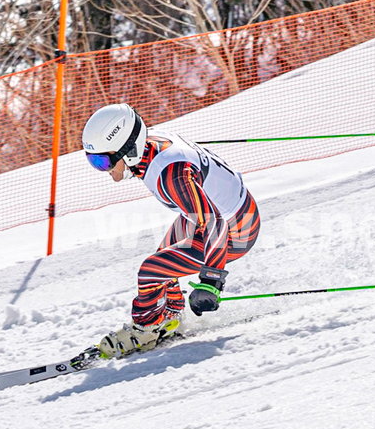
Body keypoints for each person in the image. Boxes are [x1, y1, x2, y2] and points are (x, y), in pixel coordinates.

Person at [81, 103, 260, 358]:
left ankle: (145, 330)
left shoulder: (170, 175)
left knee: (150, 272)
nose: (104, 170)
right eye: (93, 161)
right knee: (163, 260)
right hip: (216, 211)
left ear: (128, 149)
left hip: (237, 228)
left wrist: (211, 283)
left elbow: (214, 223)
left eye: (103, 161)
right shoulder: (148, 148)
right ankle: (169, 316)